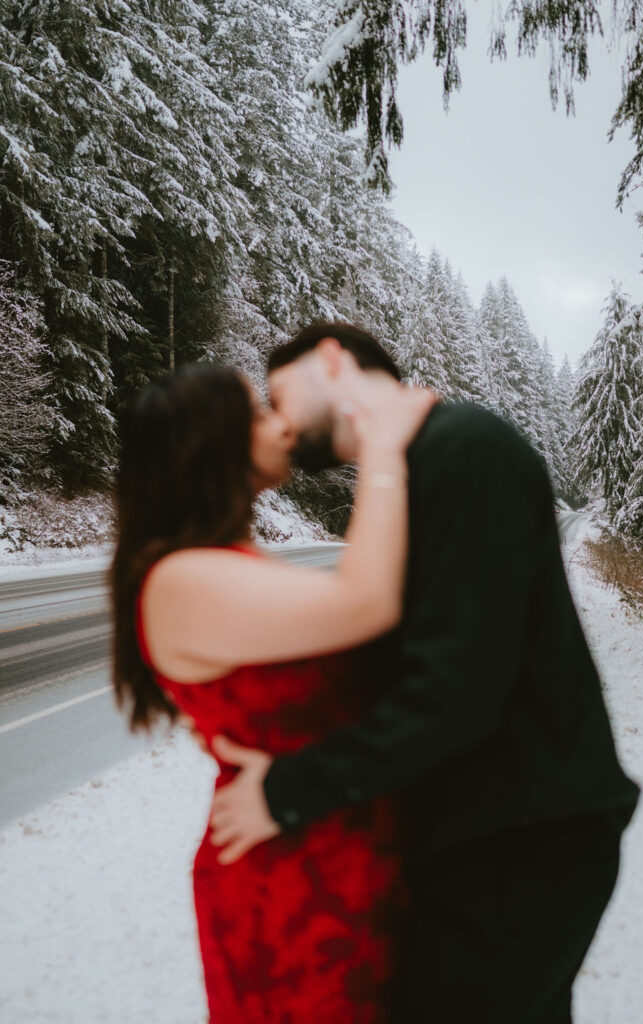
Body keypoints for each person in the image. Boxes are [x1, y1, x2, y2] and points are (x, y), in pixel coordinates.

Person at [206, 322, 641, 1024]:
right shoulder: (410, 472)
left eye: (279, 394)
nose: (279, 422)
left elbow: (457, 687)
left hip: (522, 836)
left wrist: (289, 789)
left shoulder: (462, 449)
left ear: (333, 359)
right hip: (488, 835)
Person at [110, 361, 437, 1024]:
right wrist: (381, 445)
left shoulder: (227, 562)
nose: (282, 422)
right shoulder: (182, 576)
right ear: (214, 441)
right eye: (259, 411)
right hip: (291, 886)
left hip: (337, 851)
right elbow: (369, 602)